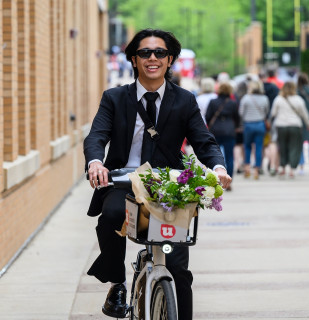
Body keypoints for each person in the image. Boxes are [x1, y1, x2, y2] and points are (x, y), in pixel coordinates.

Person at [83, 28, 232, 320]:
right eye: (145, 53)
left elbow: (204, 141)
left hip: (169, 185)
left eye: (159, 53)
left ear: (170, 59)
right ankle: (118, 283)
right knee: (111, 216)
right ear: (134, 60)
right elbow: (96, 136)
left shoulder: (184, 100)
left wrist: (218, 168)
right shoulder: (114, 98)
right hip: (124, 181)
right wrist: (95, 163)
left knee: (178, 268)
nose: (153, 58)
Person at [271, 81, 309, 178]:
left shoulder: (278, 99)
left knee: (282, 147)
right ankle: (292, 170)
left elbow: (273, 113)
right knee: (294, 147)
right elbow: (304, 114)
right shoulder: (298, 99)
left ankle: (283, 168)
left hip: (281, 126)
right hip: (295, 126)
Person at [206, 82, 240, 190]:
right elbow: (237, 118)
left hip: (215, 131)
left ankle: (213, 181)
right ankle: (228, 182)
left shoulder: (213, 102)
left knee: (213, 155)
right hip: (229, 131)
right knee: (230, 157)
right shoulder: (232, 103)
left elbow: (207, 116)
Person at [239, 80, 270, 179]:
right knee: (259, 147)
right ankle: (256, 170)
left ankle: (247, 168)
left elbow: (241, 112)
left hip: (248, 124)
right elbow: (266, 112)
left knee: (247, 146)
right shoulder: (265, 98)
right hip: (260, 124)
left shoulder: (246, 98)